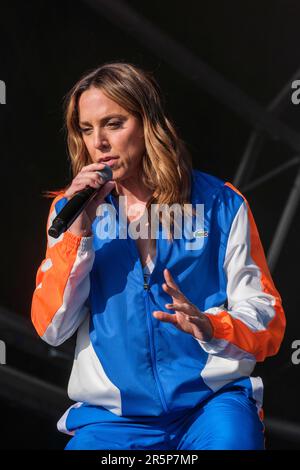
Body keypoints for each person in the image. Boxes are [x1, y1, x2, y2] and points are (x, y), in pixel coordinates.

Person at [31, 62, 286, 450]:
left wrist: (211, 326)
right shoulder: (72, 212)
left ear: (149, 123)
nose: (98, 141)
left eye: (114, 123)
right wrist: (78, 234)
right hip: (113, 418)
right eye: (86, 128)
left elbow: (267, 319)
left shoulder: (222, 204)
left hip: (210, 405)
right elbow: (52, 328)